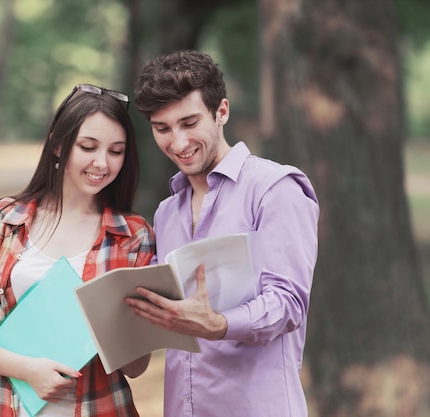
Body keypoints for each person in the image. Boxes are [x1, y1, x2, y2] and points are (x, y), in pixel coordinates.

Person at [0, 83, 155, 417]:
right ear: (58, 145)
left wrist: (126, 321)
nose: (102, 162)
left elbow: (135, 367)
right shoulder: (2, 221)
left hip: (98, 407)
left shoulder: (133, 236)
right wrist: (27, 370)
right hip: (0, 405)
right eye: (88, 147)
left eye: (116, 151)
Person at [125, 50, 320, 417]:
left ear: (222, 112)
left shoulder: (275, 189)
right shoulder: (167, 212)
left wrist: (219, 325)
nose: (178, 143)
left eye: (189, 122)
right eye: (162, 128)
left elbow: (288, 303)